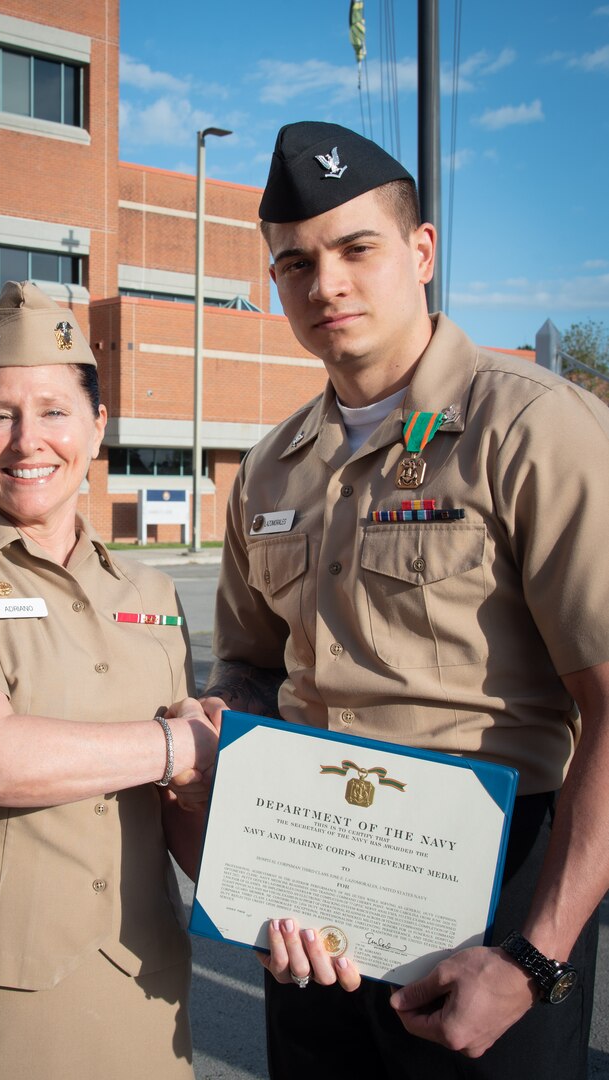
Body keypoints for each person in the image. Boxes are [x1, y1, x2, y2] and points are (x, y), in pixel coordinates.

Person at [202, 121, 609, 1079]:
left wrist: (534, 959)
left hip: (497, 884)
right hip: (305, 889)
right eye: (294, 263)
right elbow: (250, 666)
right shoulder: (269, 470)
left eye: (355, 248)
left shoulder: (532, 428)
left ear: (420, 252)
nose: (325, 284)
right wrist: (224, 717)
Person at [0, 281, 218, 1080]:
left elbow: (178, 809)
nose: (27, 440)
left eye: (55, 411)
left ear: (97, 428)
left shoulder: (148, 595)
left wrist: (262, 864)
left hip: (141, 990)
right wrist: (178, 742)